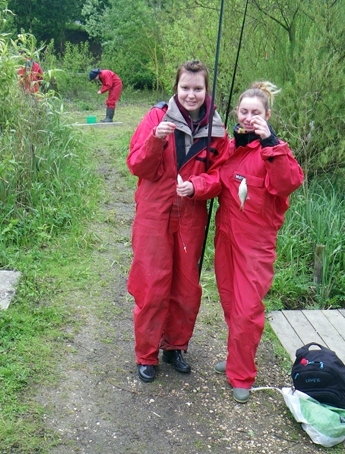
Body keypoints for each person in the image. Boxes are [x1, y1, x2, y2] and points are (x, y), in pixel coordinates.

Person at [126, 60, 229, 384]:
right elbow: (137, 165)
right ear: (176, 88)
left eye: (198, 88)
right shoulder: (156, 117)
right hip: (154, 211)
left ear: (206, 90)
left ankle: (175, 347)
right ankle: (147, 355)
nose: (191, 94)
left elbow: (221, 176)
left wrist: (198, 186)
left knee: (186, 286)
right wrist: (156, 139)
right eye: (185, 88)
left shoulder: (216, 128)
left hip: (191, 214)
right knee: (152, 284)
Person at [213, 81, 304, 403]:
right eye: (244, 111)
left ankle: (241, 374)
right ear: (237, 113)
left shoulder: (275, 151)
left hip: (255, 246)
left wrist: (270, 140)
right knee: (228, 302)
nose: (249, 117)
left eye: (256, 112)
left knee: (247, 311)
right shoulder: (232, 146)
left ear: (267, 115)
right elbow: (216, 177)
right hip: (225, 237)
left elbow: (289, 182)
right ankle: (235, 358)